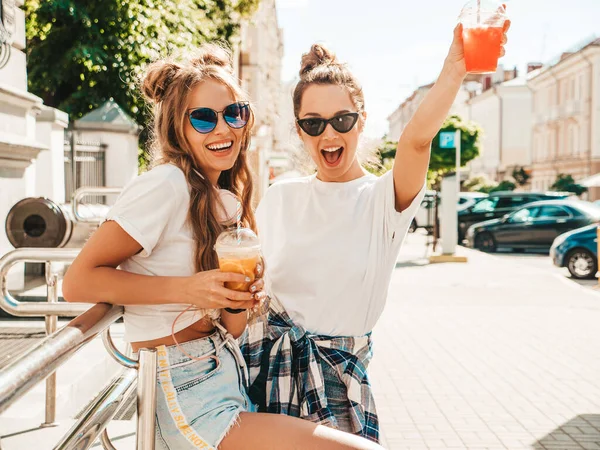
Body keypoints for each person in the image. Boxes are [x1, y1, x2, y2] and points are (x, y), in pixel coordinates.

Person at [62, 44, 383, 450]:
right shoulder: (165, 185)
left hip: (225, 373)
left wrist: (237, 300)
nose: (223, 128)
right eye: (203, 118)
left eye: (235, 113)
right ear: (179, 127)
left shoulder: (223, 200)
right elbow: (77, 282)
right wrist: (190, 288)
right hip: (186, 393)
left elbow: (230, 325)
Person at [242, 20, 510, 443]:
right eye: (313, 123)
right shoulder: (279, 195)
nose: (328, 133)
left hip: (339, 388)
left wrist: (454, 70)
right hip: (264, 377)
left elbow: (417, 141)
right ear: (299, 130)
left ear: (361, 121)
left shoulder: (382, 199)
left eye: (342, 119)